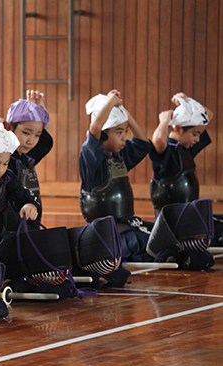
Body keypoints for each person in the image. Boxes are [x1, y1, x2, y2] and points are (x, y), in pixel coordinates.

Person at [79, 90, 153, 262]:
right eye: (119, 132)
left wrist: (125, 113)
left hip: (127, 223)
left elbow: (143, 143)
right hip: (108, 232)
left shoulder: (119, 157)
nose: (124, 139)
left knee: (163, 234)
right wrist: (111, 102)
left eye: (125, 132)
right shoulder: (92, 160)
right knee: (150, 243)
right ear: (103, 134)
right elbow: (95, 128)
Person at [149, 94, 222, 246]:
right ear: (177, 128)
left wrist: (188, 101)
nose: (197, 139)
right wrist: (164, 122)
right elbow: (158, 139)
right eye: (195, 134)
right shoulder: (167, 152)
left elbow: (208, 115)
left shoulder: (186, 149)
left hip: (188, 216)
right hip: (173, 225)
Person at [0, 89, 53, 227]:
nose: (31, 141)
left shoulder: (27, 155)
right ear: (10, 128)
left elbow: (47, 129)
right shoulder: (2, 158)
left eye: (36, 135)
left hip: (30, 226)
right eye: (26, 133)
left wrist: (39, 107)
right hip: (10, 229)